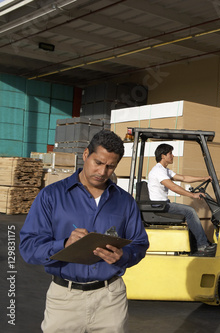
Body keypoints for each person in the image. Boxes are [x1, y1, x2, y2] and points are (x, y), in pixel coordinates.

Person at [20, 130, 149, 333]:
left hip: (110, 299)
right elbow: (28, 247)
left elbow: (139, 244)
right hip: (64, 299)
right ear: (86, 154)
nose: (103, 171)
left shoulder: (125, 202)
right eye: (98, 162)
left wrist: (125, 255)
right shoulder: (51, 196)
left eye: (110, 166)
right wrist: (63, 245)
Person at [147, 143, 216, 256]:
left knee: (188, 213)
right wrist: (192, 195)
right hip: (159, 206)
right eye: (170, 153)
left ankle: (196, 246)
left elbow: (184, 178)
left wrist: (203, 178)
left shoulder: (165, 170)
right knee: (190, 211)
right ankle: (203, 246)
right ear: (163, 156)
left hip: (163, 204)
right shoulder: (158, 171)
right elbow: (173, 186)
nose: (173, 156)